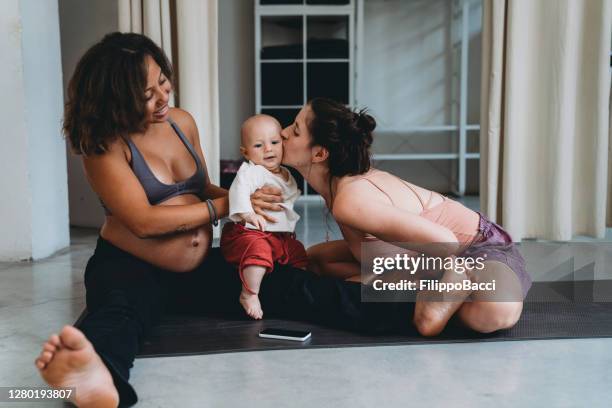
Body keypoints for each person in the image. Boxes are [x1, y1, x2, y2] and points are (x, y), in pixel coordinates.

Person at [33, 33, 412, 408]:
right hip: (130, 265)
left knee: (293, 286)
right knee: (121, 313)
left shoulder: (182, 122)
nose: (163, 97)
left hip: (197, 268)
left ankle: (422, 305)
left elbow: (203, 188)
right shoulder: (104, 146)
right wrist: (231, 203)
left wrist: (249, 199)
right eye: (147, 95)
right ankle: (94, 377)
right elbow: (144, 221)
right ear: (116, 98)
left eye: (163, 82)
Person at [280, 97, 532, 337]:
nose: (283, 132)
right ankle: (433, 293)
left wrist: (386, 278)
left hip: (479, 250)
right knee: (313, 260)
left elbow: (446, 241)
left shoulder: (350, 200)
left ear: (320, 154)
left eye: (295, 130)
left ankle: (437, 301)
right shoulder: (340, 187)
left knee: (496, 309)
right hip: (432, 259)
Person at [221, 114, 308, 319]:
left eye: (274, 142)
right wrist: (247, 213)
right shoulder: (253, 171)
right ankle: (249, 293)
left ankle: (300, 283)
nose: (268, 149)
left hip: (279, 236)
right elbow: (239, 190)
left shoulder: (286, 174)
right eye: (259, 145)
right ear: (245, 152)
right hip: (251, 233)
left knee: (298, 253)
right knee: (258, 254)